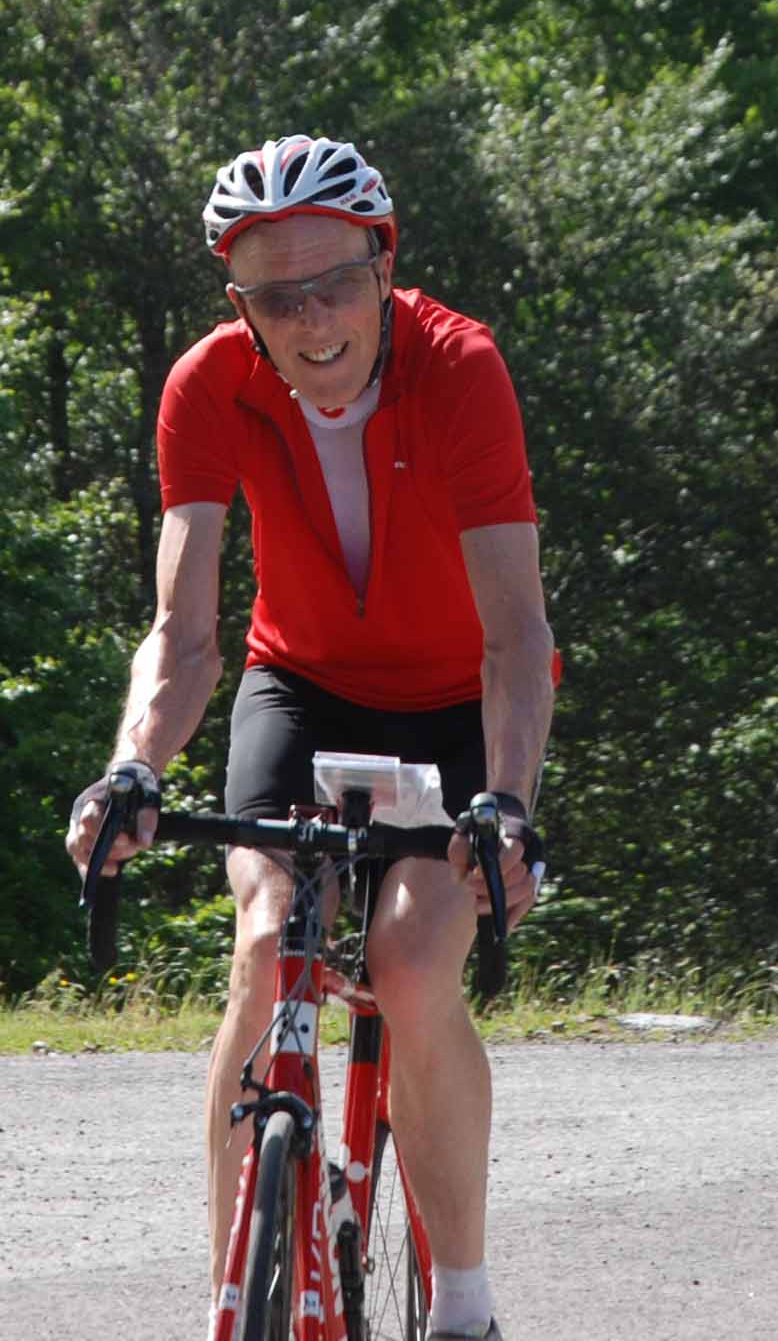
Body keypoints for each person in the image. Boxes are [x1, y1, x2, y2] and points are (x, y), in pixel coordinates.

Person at [67, 133, 553, 1341]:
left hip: (452, 702)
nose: (313, 318)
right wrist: (133, 766)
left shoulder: (462, 369)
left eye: (335, 280)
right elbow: (183, 637)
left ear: (383, 265)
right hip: (298, 687)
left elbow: (516, 637)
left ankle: (465, 1308)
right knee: (262, 938)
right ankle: (232, 1296)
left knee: (409, 961)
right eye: (277, 296)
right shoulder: (206, 387)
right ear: (242, 306)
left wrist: (504, 803)